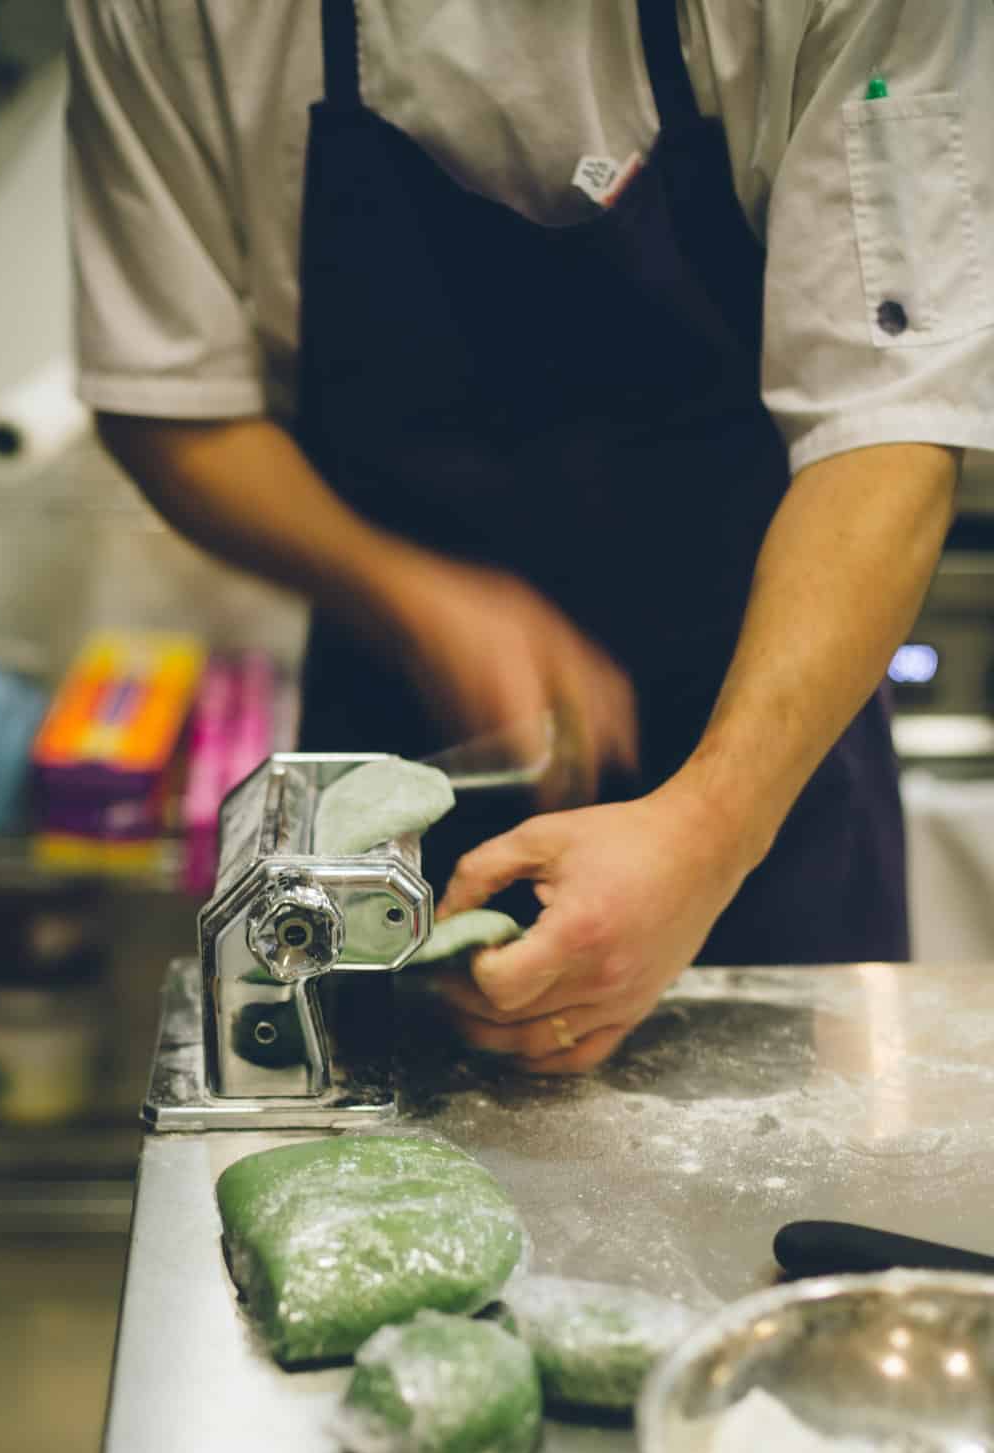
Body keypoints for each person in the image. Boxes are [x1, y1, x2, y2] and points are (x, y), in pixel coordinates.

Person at [66, 0, 993, 1069]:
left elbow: (885, 431)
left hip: (773, 770)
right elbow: (168, 399)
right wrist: (417, 598)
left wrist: (709, 826)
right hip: (400, 761)